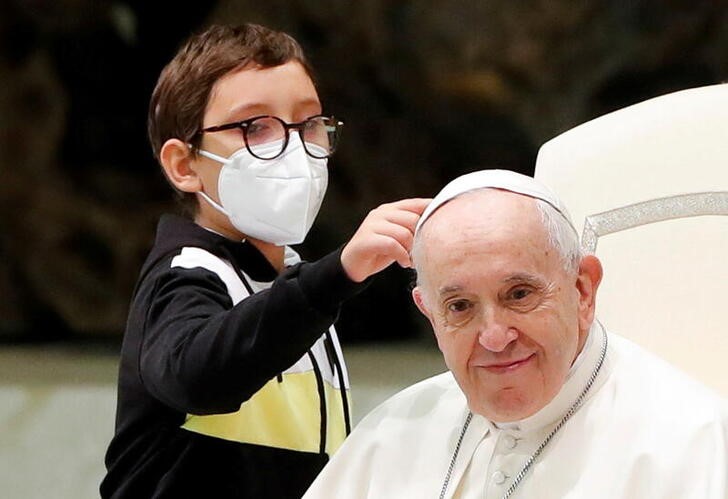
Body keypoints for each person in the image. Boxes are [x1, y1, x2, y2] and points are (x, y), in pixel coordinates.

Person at [100, 23, 429, 499]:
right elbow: (198, 376)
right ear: (184, 165)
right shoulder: (185, 273)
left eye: (310, 122)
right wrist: (338, 274)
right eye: (254, 127)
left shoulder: (291, 285)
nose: (294, 147)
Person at [302, 169, 728, 499]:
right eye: (460, 307)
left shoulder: (692, 442)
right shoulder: (392, 432)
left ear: (582, 290)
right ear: (429, 315)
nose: (494, 336)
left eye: (519, 294)